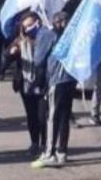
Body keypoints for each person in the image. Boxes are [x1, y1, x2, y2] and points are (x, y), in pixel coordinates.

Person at [32, 12, 78, 168]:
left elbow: (38, 59)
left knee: (53, 117)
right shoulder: (73, 37)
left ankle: (49, 153)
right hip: (70, 79)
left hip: (57, 81)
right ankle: (62, 151)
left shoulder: (51, 36)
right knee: (64, 117)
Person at [7, 12, 55, 157]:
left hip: (41, 84)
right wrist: (12, 52)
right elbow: (6, 56)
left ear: (38, 23)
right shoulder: (20, 40)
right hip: (25, 85)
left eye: (29, 25)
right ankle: (34, 143)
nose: (27, 29)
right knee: (31, 116)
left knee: (42, 116)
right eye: (25, 26)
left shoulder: (45, 39)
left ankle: (45, 143)